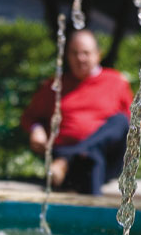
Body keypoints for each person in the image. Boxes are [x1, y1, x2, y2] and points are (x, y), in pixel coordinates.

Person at [21, 29, 134, 194]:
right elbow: (29, 117)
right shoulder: (55, 86)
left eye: (86, 53)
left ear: (98, 54)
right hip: (71, 160)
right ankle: (94, 215)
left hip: (107, 158)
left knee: (121, 121)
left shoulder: (116, 82)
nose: (80, 58)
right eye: (75, 53)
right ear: (67, 56)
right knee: (92, 158)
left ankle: (68, 158)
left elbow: (134, 126)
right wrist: (36, 129)